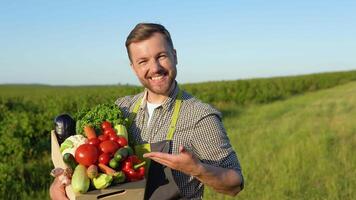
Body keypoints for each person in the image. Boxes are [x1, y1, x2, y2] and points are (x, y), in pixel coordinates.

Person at [50, 23, 244, 200]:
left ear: (174, 56)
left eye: (161, 56)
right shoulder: (122, 110)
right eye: (143, 61)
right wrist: (60, 187)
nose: (155, 68)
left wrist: (198, 169)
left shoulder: (200, 116)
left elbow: (235, 183)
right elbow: (89, 163)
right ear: (133, 68)